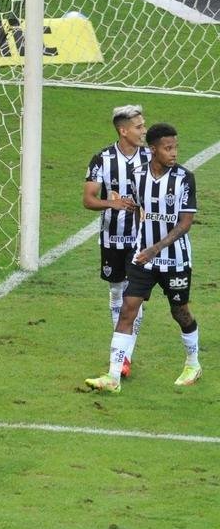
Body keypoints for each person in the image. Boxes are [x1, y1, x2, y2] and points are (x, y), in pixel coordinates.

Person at [86, 123, 200, 392]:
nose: (173, 153)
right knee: (127, 310)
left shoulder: (184, 178)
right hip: (143, 259)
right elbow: (137, 207)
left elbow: (185, 223)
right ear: (153, 150)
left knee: (180, 312)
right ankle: (113, 377)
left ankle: (193, 364)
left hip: (174, 259)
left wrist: (155, 248)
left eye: (175, 147)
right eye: (167, 148)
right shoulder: (138, 176)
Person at [83, 104, 149, 378]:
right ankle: (121, 354)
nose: (144, 131)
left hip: (142, 240)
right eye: (138, 127)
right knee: (116, 293)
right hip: (111, 238)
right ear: (123, 131)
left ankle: (124, 357)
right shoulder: (102, 159)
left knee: (133, 298)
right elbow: (88, 200)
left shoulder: (150, 157)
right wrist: (112, 205)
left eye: (144, 126)